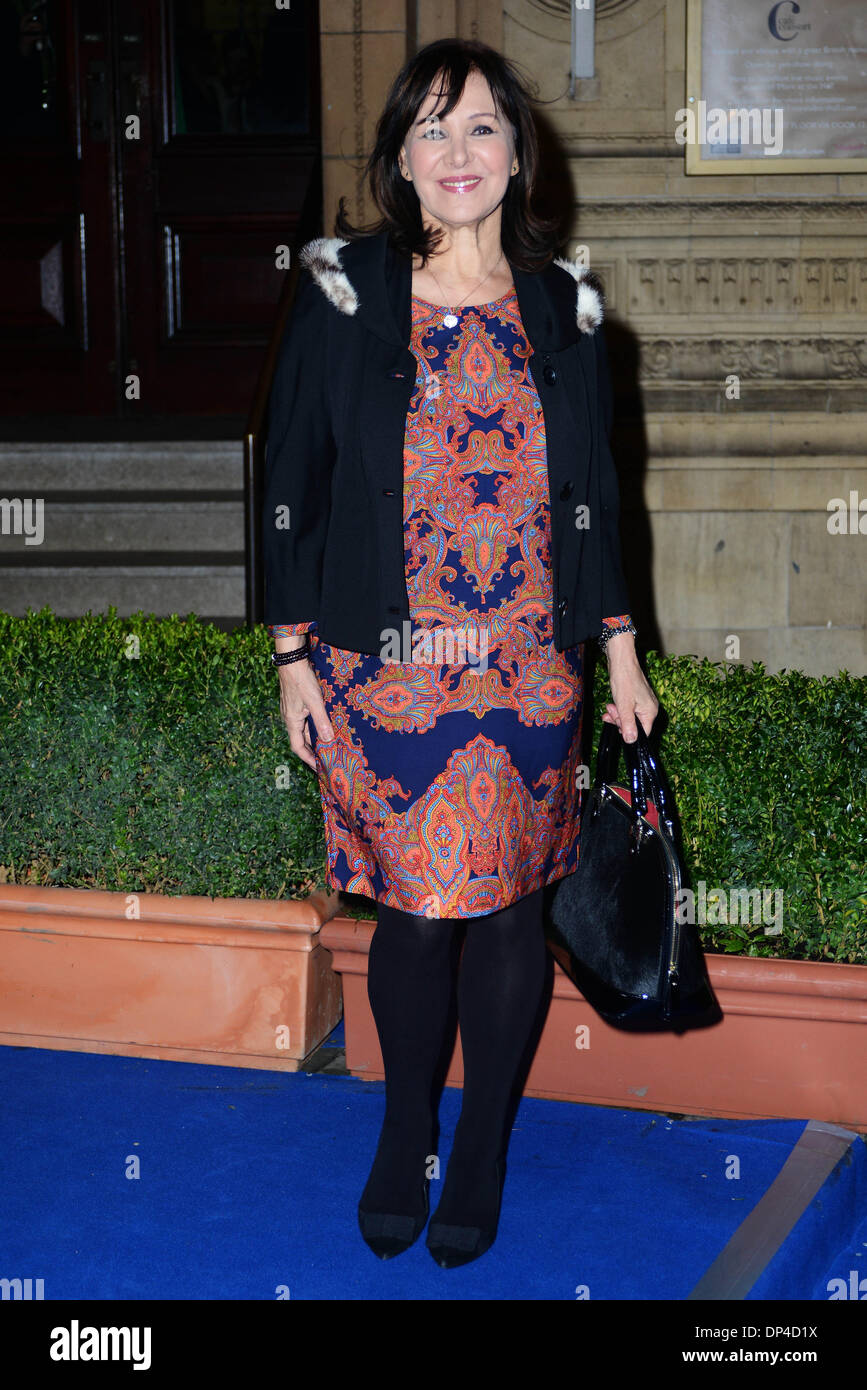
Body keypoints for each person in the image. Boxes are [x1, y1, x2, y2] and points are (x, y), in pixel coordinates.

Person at [262, 37, 658, 1269]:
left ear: (515, 153)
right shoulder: (344, 293)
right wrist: (288, 653)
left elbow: (601, 492)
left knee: (507, 916)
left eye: (480, 127)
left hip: (531, 662)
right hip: (387, 664)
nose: (456, 153)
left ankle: (481, 1142)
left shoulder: (570, 310)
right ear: (398, 156)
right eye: (431, 129)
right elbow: (290, 478)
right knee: (417, 919)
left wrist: (624, 649)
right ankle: (404, 1132)